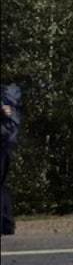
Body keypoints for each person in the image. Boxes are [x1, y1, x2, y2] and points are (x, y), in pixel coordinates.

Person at [1, 83, 22, 236]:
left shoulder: (5, 98)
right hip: (6, 143)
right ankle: (7, 225)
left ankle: (6, 224)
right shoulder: (10, 96)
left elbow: (6, 112)